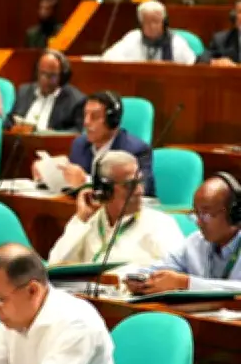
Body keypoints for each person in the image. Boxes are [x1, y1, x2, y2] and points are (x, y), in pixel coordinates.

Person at [48, 150, 182, 265]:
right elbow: (55, 264)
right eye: (130, 185)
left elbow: (178, 271)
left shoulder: (160, 224)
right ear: (105, 190)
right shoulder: (89, 221)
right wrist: (81, 220)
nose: (140, 191)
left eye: (140, 182)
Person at [127, 174, 241, 294]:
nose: (198, 222)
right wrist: (141, 279)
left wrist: (186, 283)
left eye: (206, 214)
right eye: (196, 213)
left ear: (235, 213)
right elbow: (158, 269)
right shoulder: (195, 242)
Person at [31, 91, 154, 196]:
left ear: (113, 121)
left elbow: (141, 190)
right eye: (85, 115)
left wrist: (86, 181)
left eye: (94, 116)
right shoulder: (80, 144)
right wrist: (48, 174)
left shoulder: (135, 150)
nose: (86, 122)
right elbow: (70, 186)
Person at [4, 50, 85, 132]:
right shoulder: (23, 91)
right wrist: (13, 128)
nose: (44, 79)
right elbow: (8, 120)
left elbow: (78, 131)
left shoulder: (75, 100)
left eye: (51, 76)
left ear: (62, 76)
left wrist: (55, 134)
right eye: (42, 73)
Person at [102, 0, 195, 65]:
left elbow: (192, 66)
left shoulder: (177, 42)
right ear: (140, 24)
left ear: (164, 22)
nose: (152, 26)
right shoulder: (132, 38)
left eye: (156, 21)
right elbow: (107, 58)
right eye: (147, 22)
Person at [198, 0, 241, 67]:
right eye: (240, 12)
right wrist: (215, 62)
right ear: (234, 17)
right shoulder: (221, 39)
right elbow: (202, 58)